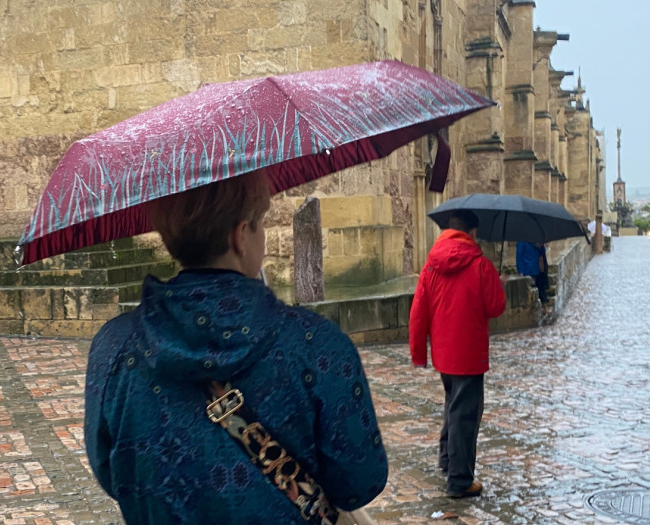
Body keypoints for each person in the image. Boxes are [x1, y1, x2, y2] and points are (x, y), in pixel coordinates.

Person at [84, 171, 388, 524]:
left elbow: (111, 470)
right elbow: (359, 482)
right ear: (241, 235)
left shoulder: (113, 346)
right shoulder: (316, 344)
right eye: (260, 223)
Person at [409, 211, 507, 498]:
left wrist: (418, 353)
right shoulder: (480, 265)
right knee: (465, 416)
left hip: (444, 353)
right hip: (470, 354)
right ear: (473, 233)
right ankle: (460, 480)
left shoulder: (431, 265)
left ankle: (447, 460)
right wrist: (495, 281)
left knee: (453, 405)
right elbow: (496, 307)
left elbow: (418, 312)